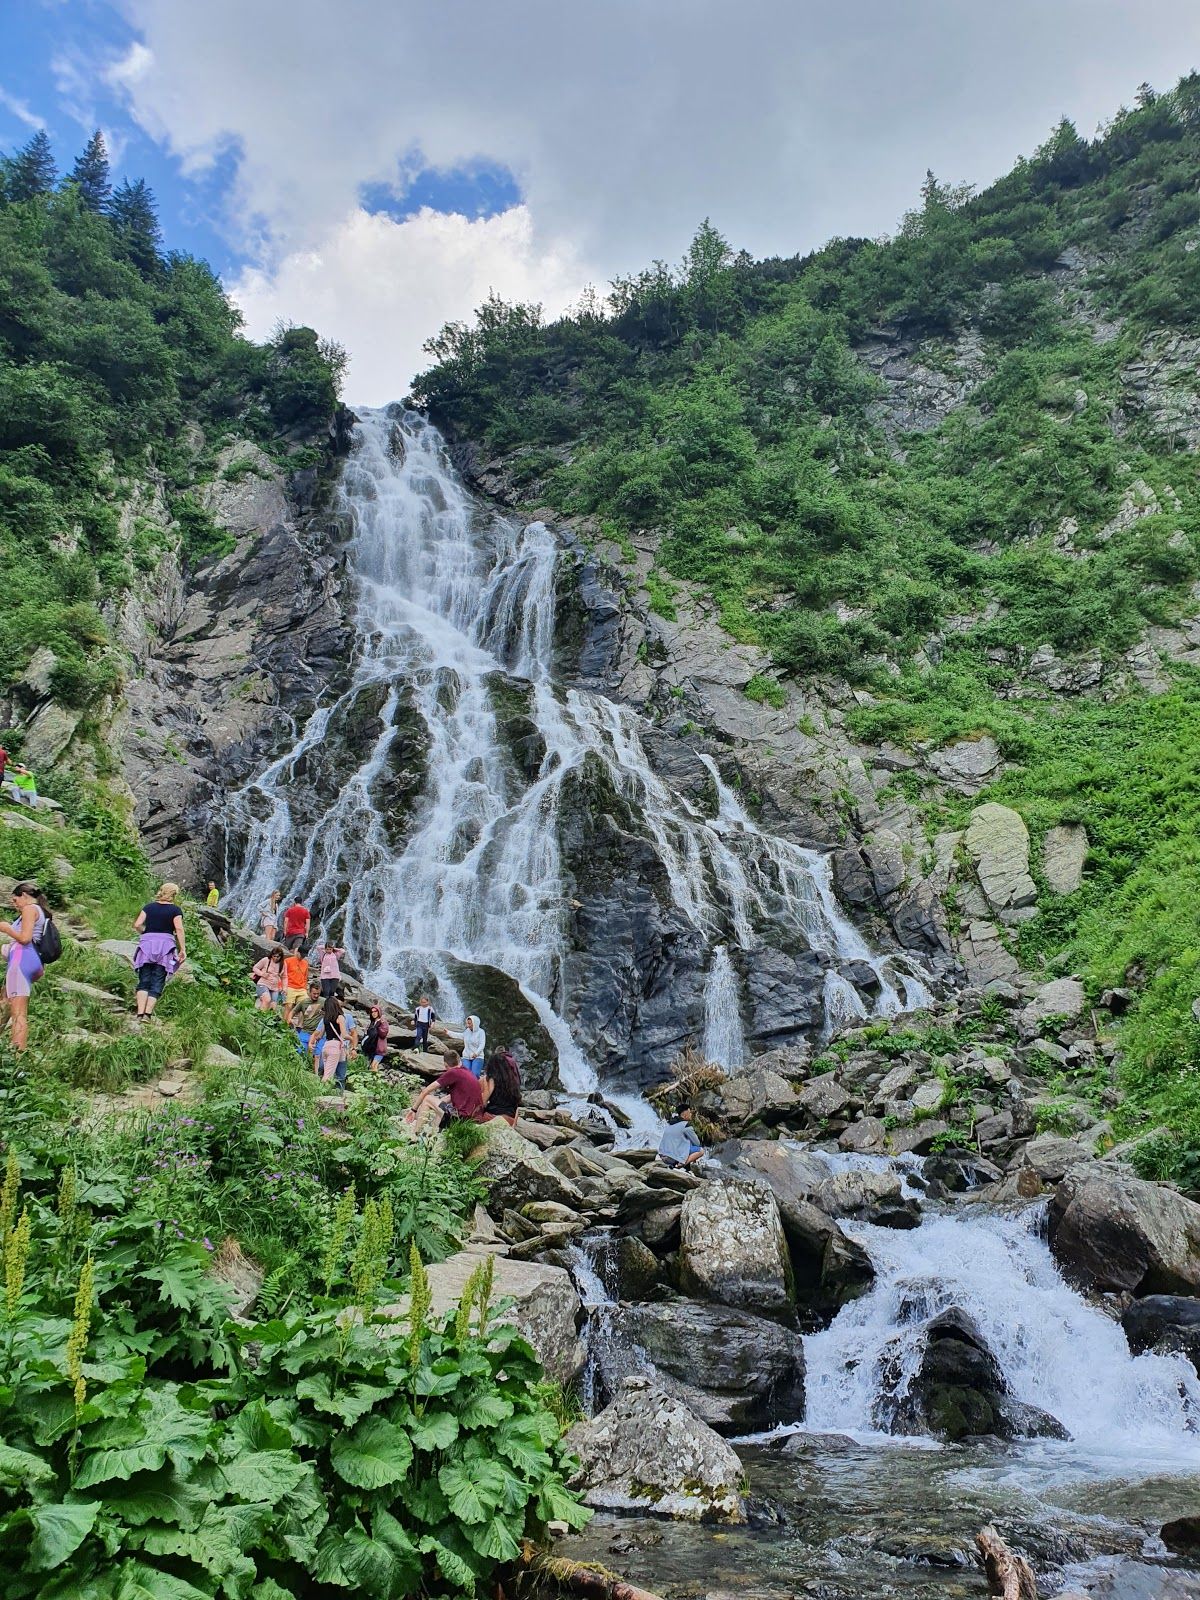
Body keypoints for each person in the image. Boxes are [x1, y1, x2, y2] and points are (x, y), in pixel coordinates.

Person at [0, 881, 49, 1050]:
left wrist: (7, 929)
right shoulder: (40, 911)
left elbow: (25, 938)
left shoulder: (29, 909)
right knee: (4, 1003)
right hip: (30, 961)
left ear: (25, 896)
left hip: (21, 962)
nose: (14, 905)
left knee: (19, 1014)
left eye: (15, 900)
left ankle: (18, 1060)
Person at [132, 882, 186, 1021]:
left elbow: (137, 924)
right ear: (174, 895)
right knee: (158, 979)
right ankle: (147, 1015)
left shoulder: (148, 907)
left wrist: (145, 933)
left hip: (147, 945)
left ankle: (139, 1013)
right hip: (165, 947)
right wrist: (182, 949)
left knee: (144, 979)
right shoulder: (175, 910)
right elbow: (179, 929)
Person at [405, 1050, 488, 1133]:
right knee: (440, 1107)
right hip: (475, 1118)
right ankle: (432, 1135)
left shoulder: (453, 1072)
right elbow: (449, 1097)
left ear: (445, 1065)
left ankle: (415, 1134)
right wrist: (434, 1105)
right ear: (459, 1060)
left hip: (461, 1118)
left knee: (427, 1099)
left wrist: (413, 1110)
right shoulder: (468, 1072)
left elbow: (425, 1091)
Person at [311, 996, 349, 1084]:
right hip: (335, 1046)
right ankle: (322, 1093)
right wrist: (352, 1039)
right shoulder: (340, 1017)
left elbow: (319, 1035)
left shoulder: (326, 1019)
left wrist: (313, 1042)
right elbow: (344, 1035)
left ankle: (335, 1091)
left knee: (327, 1070)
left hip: (326, 1046)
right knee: (329, 1075)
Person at [481, 1051, 521, 1126]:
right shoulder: (513, 1079)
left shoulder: (492, 1079)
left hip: (495, 1115)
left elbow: (484, 1101)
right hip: (511, 1116)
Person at [294, 981, 324, 1055]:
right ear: (309, 992)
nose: (316, 995)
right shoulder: (303, 1002)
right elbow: (292, 1012)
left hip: (318, 1035)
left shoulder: (324, 1002)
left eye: (318, 993)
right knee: (299, 1052)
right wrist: (289, 1021)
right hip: (305, 1032)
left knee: (317, 1055)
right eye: (314, 993)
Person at [282, 949, 310, 1024]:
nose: (303, 957)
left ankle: (299, 1027)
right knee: (289, 1006)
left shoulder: (305, 963)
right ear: (297, 952)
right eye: (302, 955)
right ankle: (284, 1024)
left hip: (301, 988)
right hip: (290, 986)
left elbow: (305, 977)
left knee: (306, 1006)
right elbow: (283, 975)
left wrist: (304, 987)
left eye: (304, 956)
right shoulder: (288, 961)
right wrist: (283, 987)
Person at [361, 1004, 390, 1072]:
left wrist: (378, 1026)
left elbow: (383, 1034)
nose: (373, 1013)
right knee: (370, 1066)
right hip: (371, 1048)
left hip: (379, 1048)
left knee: (374, 1066)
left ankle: (376, 1081)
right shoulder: (372, 1023)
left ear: (379, 1012)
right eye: (372, 1012)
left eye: (375, 1011)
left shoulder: (383, 1022)